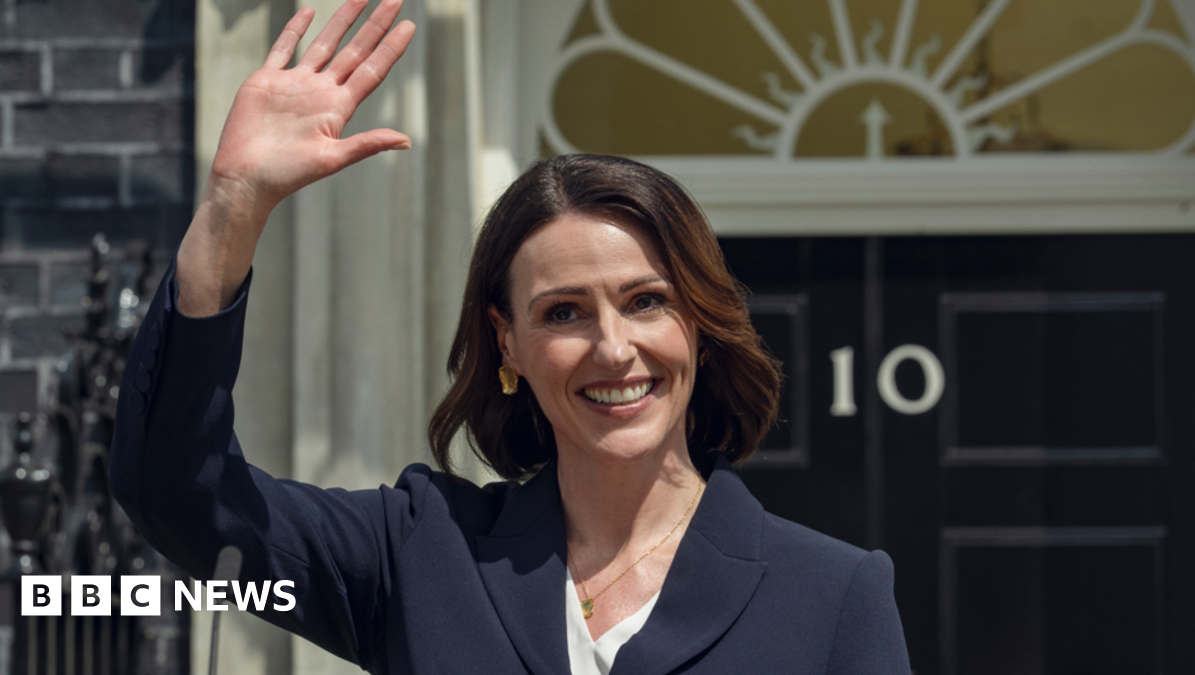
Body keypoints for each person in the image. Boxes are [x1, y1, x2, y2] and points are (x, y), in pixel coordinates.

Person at [110, 1, 912, 673]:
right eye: (563, 312)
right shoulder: (421, 553)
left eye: (645, 301)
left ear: (697, 325)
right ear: (507, 344)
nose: (613, 347)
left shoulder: (835, 594)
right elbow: (180, 494)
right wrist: (232, 208)